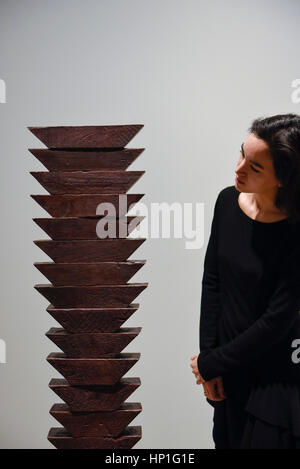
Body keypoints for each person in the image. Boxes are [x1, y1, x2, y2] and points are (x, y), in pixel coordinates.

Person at [190, 114, 300, 449]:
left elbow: (277, 320)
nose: (238, 169)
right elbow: (213, 283)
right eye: (241, 154)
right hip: (228, 369)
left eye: (255, 167)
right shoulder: (227, 201)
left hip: (277, 378)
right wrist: (209, 359)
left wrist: (211, 363)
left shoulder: (296, 230)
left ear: (283, 178)